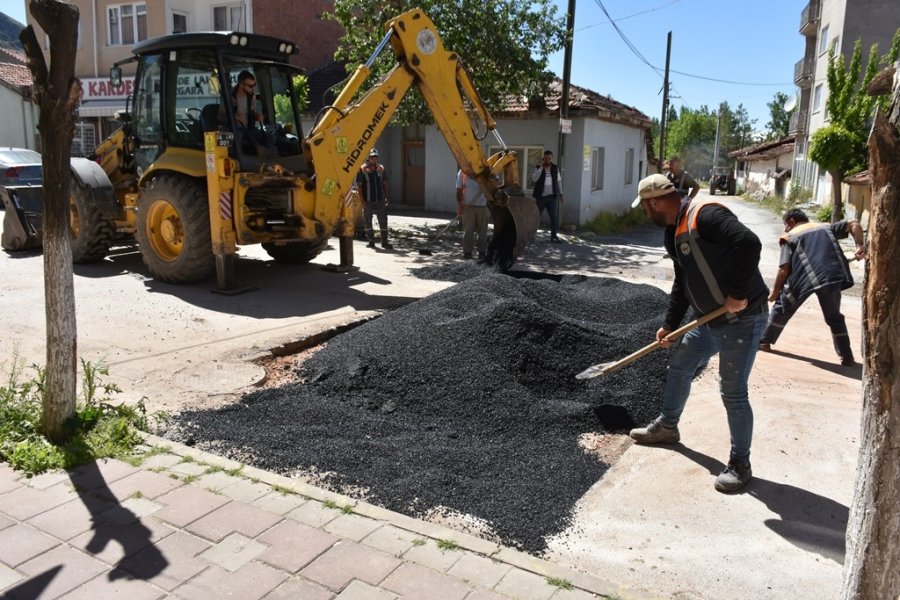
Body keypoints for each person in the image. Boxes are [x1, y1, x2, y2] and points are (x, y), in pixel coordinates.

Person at [627, 174, 769, 493]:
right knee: (680, 364)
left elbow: (749, 243)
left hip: (742, 318)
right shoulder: (673, 232)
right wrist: (671, 323)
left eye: (645, 208)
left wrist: (737, 292)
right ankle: (667, 426)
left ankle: (740, 463)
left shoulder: (705, 214)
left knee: (732, 391)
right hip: (708, 319)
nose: (644, 213)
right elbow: (683, 280)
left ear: (654, 202)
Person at [758, 209, 865, 366]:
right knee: (834, 317)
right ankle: (846, 356)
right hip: (832, 276)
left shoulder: (790, 236)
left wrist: (774, 292)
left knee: (782, 306)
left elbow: (784, 268)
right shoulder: (824, 227)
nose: (785, 229)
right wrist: (859, 245)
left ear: (792, 221)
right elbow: (854, 224)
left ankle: (764, 340)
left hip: (804, 279)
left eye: (785, 225)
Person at [225, 70, 273, 156]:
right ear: (241, 84)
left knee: (269, 137)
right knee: (238, 136)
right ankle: (237, 160)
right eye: (250, 86)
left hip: (249, 129)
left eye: (254, 85)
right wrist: (232, 116)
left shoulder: (251, 96)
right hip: (235, 129)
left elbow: (252, 113)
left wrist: (257, 117)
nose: (253, 88)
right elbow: (219, 116)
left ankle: (269, 158)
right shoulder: (229, 96)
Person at [357, 148, 392, 249]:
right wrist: (362, 201)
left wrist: (387, 197)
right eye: (372, 157)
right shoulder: (362, 169)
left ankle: (384, 242)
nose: (374, 159)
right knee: (368, 220)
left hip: (380, 200)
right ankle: (371, 241)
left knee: (383, 220)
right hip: (368, 201)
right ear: (368, 158)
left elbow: (385, 183)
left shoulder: (381, 168)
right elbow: (359, 186)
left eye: (375, 157)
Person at [456, 169, 490, 259]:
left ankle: (482, 252)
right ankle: (467, 252)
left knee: (482, 231)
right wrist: (459, 205)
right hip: (467, 207)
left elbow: (495, 180)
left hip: (482, 206)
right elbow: (458, 190)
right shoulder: (462, 172)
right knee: (468, 230)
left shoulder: (485, 169)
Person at [531, 150, 563, 243]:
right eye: (545, 158)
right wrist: (540, 168)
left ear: (552, 158)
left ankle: (554, 236)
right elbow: (534, 179)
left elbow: (558, 181)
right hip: (540, 197)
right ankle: (531, 235)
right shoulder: (538, 167)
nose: (547, 160)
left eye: (549, 158)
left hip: (551, 197)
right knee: (536, 217)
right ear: (543, 158)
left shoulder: (555, 168)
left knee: (554, 217)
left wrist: (561, 193)